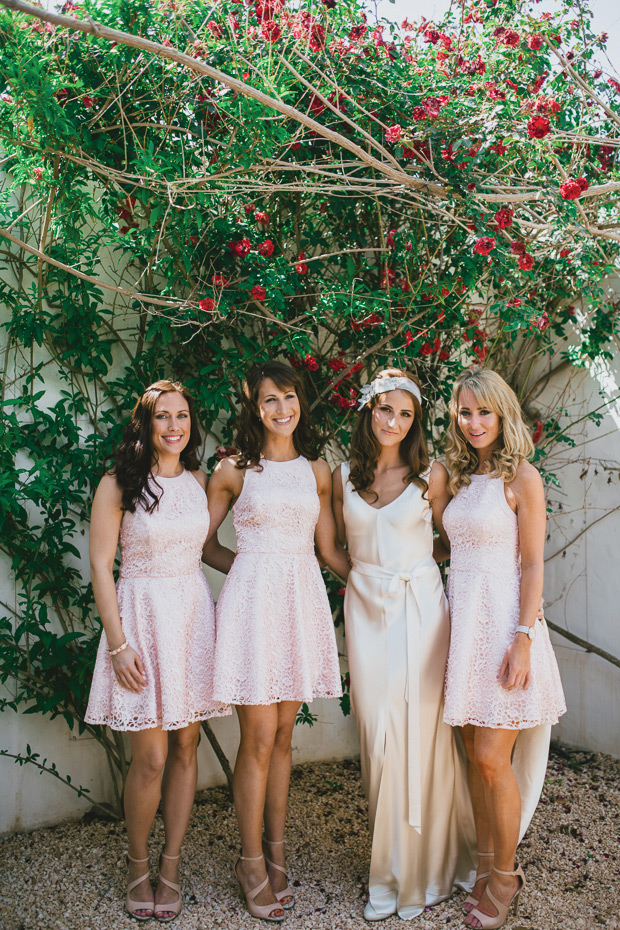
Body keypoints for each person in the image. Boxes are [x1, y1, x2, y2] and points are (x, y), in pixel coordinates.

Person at [206, 360, 350, 922]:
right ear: (253, 407)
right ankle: (248, 861)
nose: (282, 409)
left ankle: (276, 849)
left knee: (285, 735)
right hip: (253, 605)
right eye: (270, 400)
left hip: (301, 600)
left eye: (289, 398)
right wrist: (249, 568)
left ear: (300, 402)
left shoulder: (317, 470)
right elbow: (200, 543)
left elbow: (330, 550)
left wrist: (389, 575)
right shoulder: (233, 469)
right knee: (259, 736)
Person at [332, 368, 477, 922]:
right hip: (365, 613)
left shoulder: (431, 477)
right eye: (385, 409)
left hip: (422, 614)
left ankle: (424, 873)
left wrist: (415, 570)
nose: (393, 421)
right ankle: (391, 866)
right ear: (368, 411)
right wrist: (367, 578)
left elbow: (453, 540)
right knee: (377, 733)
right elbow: (328, 547)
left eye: (406, 414)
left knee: (422, 736)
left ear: (415, 422)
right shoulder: (341, 476)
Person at [85, 380, 230, 922]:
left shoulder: (198, 480)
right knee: (149, 757)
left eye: (183, 417)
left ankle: (171, 866)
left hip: (192, 618)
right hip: (141, 623)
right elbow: (102, 566)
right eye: (163, 417)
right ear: (145, 424)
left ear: (192, 424)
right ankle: (138, 864)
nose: (174, 426)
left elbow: (208, 550)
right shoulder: (118, 482)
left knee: (187, 748)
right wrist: (118, 643)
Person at [442, 367, 566, 930]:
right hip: (462, 625)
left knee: (494, 758)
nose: (473, 423)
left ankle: (507, 877)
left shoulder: (524, 478)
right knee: (474, 755)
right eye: (464, 413)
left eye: (482, 412)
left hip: (505, 628)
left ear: (502, 412)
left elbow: (534, 562)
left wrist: (523, 636)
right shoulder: (459, 477)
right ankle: (488, 864)